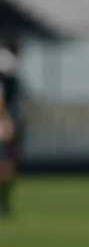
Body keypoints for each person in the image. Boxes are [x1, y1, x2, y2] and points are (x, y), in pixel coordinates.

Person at [0, 37, 22, 218]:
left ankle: (4, 203)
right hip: (3, 123)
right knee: (6, 164)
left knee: (7, 163)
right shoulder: (7, 67)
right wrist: (6, 119)